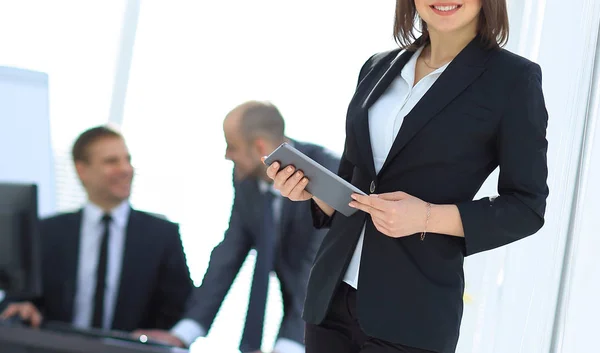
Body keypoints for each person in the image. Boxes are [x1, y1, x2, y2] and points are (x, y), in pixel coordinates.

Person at [266, 1, 549, 353]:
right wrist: (308, 190)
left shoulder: (513, 79)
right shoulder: (377, 67)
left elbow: (526, 206)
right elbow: (354, 185)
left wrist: (426, 216)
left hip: (413, 313)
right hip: (331, 302)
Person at [135, 101, 340, 353]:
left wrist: (287, 347)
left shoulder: (326, 171)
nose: (226, 155)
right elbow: (229, 252)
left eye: (231, 146)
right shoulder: (246, 179)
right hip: (300, 315)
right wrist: (184, 333)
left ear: (259, 147)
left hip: (337, 319)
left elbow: (318, 267)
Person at [0, 126, 193, 332]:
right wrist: (22, 308)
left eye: (127, 159)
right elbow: (19, 298)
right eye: (112, 161)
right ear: (82, 170)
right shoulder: (47, 232)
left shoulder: (161, 235)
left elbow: (182, 307)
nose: (126, 169)